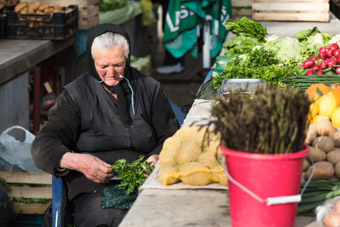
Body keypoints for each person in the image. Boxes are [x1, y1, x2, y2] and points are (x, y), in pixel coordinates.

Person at [31, 23, 179, 227]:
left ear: (127, 59)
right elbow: (44, 144)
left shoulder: (149, 88)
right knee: (110, 218)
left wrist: (158, 157)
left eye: (118, 64)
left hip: (146, 182)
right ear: (92, 62)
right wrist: (77, 161)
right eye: (103, 66)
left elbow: (172, 137)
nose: (111, 73)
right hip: (92, 188)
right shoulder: (76, 94)